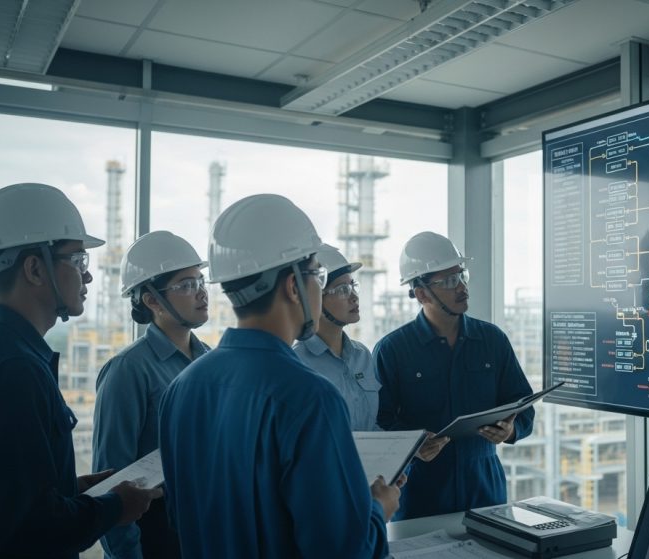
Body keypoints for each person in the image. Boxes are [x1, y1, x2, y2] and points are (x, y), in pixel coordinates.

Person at [158, 194, 400, 558]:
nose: (320, 288)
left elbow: (180, 518)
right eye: (318, 275)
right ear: (293, 286)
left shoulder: (182, 388)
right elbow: (342, 550)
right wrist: (379, 510)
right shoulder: (309, 397)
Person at [0, 183, 160, 559]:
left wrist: (72, 490)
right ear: (35, 269)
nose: (87, 278)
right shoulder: (10, 370)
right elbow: (20, 532)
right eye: (77, 261)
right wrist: (115, 508)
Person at [375, 231, 535, 519]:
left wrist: (511, 430)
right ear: (421, 293)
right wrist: (413, 445)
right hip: (421, 496)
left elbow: (523, 406)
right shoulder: (393, 350)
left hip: (485, 490)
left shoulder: (492, 340)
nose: (462, 287)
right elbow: (380, 421)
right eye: (449, 281)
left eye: (462, 276)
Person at [94, 231, 210, 559]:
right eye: (187, 285)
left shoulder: (210, 362)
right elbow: (111, 483)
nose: (201, 293)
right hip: (154, 540)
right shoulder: (128, 370)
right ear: (152, 300)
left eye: (201, 282)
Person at [293, 244, 381, 431]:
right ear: (315, 298)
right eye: (342, 290)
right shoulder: (297, 363)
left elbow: (370, 429)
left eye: (352, 286)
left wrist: (414, 446)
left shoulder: (362, 355)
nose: (354, 297)